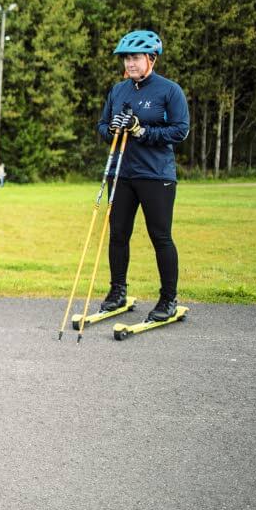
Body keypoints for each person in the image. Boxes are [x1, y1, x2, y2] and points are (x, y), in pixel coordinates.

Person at [96, 29, 189, 322]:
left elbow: (180, 130)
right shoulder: (118, 90)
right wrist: (112, 129)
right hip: (121, 173)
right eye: (126, 58)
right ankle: (117, 291)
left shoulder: (168, 90)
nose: (130, 64)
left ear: (152, 58)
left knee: (160, 236)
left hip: (155, 175)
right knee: (118, 234)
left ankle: (168, 299)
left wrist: (141, 130)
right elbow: (101, 125)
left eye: (135, 58)